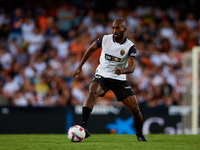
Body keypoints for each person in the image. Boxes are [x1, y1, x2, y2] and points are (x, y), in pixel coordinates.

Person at [73, 19, 147, 141]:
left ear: (125, 29)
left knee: (135, 108)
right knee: (92, 92)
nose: (114, 30)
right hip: (102, 75)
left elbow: (132, 67)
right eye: (113, 28)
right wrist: (79, 66)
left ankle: (139, 134)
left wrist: (122, 71)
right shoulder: (105, 39)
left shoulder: (130, 47)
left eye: (117, 28)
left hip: (119, 79)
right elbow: (91, 48)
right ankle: (83, 127)